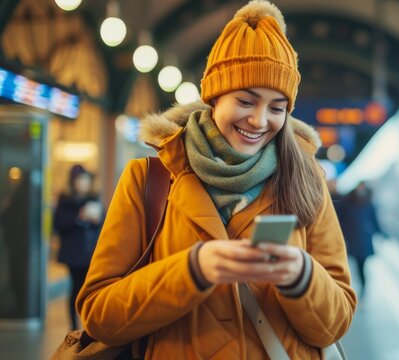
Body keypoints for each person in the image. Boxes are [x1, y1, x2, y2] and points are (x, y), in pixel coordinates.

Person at [76, 1, 357, 358]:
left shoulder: (306, 182)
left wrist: (303, 275)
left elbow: (337, 321)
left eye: (277, 108)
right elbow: (100, 316)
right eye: (245, 100)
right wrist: (192, 270)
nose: (259, 120)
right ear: (214, 96)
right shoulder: (149, 180)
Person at [53, 164, 103, 329]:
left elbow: (104, 223)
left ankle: (88, 323)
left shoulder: (94, 198)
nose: (83, 183)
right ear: (73, 182)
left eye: (85, 180)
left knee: (88, 288)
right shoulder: (65, 200)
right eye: (80, 180)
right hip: (73, 252)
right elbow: (58, 224)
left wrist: (96, 221)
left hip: (91, 251)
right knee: (76, 287)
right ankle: (74, 325)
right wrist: (78, 217)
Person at [339, 182, 385, 297]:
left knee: (361, 264)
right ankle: (358, 285)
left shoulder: (369, 203)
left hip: (363, 239)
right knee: (354, 264)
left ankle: (363, 286)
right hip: (352, 238)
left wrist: (381, 233)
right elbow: (342, 220)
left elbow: (374, 220)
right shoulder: (347, 202)